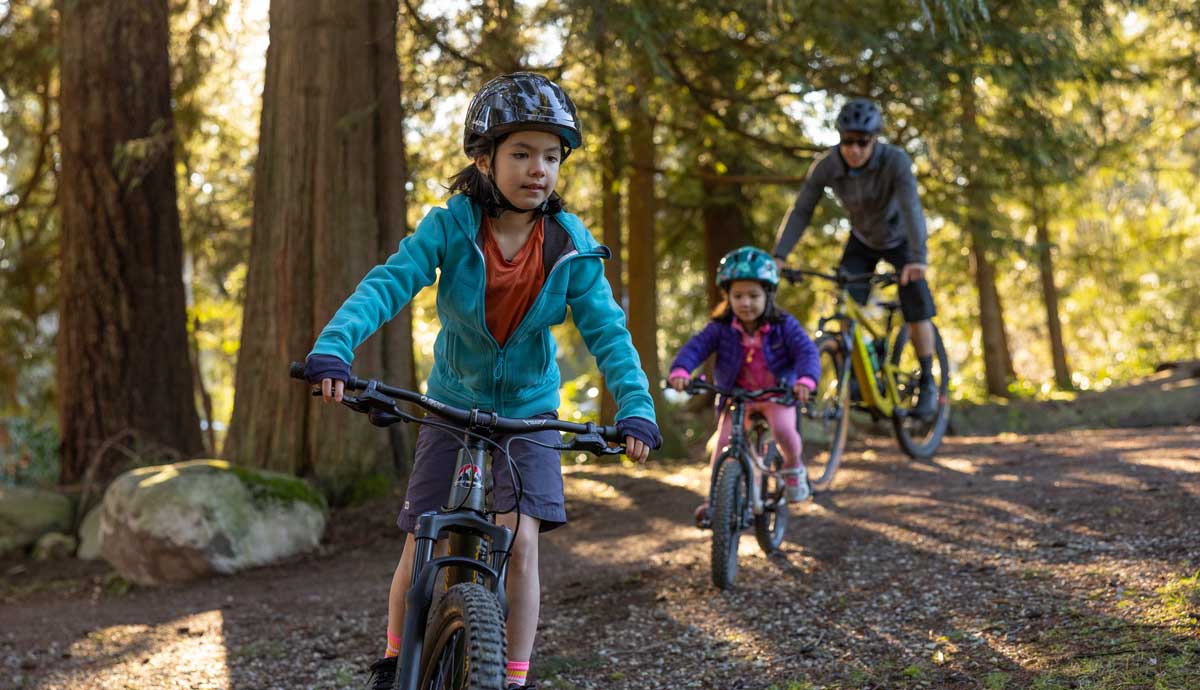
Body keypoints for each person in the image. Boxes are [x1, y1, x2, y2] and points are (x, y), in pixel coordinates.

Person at [302, 72, 661, 690]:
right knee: (422, 539)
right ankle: (395, 665)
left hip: (530, 410)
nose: (537, 169)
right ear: (484, 158)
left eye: (551, 156)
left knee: (520, 543)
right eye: (521, 153)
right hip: (450, 401)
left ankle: (509, 678)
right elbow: (388, 284)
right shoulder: (452, 225)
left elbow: (608, 330)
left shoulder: (571, 246)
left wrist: (636, 405)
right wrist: (334, 348)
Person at [773, 97, 940, 418]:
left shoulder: (895, 161)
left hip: (901, 240)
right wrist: (780, 255)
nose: (854, 149)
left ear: (874, 139)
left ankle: (928, 380)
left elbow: (911, 209)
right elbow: (803, 209)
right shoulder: (828, 165)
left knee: (917, 305)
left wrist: (917, 258)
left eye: (862, 142)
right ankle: (857, 372)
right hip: (862, 239)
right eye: (847, 141)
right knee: (846, 303)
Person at [667, 246, 820, 522]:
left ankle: (794, 467)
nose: (745, 302)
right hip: (737, 399)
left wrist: (805, 379)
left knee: (785, 431)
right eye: (738, 296)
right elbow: (696, 347)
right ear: (727, 296)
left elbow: (806, 352)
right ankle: (716, 501)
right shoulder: (721, 327)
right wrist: (681, 369)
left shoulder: (784, 325)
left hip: (777, 395)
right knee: (722, 444)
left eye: (753, 295)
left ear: (768, 295)